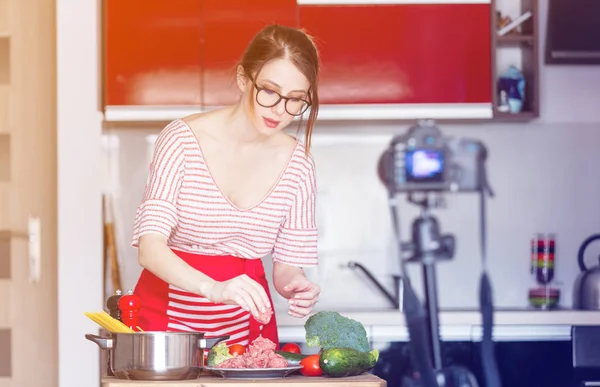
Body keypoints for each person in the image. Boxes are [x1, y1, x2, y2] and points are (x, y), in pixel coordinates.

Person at [130, 24, 321, 349]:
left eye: (296, 99)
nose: (280, 109)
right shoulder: (181, 141)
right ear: (244, 78)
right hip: (164, 325)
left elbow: (286, 266)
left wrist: (297, 284)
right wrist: (214, 289)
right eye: (270, 91)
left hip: (246, 329)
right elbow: (150, 248)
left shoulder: (298, 164)